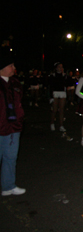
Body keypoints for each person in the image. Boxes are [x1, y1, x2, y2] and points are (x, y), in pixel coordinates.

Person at [0, 49, 26, 196]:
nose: (13, 68)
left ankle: (8, 186)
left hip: (13, 127)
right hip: (1, 126)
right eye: (10, 65)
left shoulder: (15, 83)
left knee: (10, 158)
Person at [48, 62, 68, 132]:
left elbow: (66, 84)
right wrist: (51, 96)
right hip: (55, 92)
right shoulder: (53, 75)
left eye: (61, 67)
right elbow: (51, 86)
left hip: (62, 92)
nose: (60, 68)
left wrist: (64, 75)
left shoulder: (64, 75)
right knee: (54, 109)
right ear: (56, 68)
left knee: (62, 110)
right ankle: (52, 123)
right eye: (59, 67)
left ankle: (61, 125)